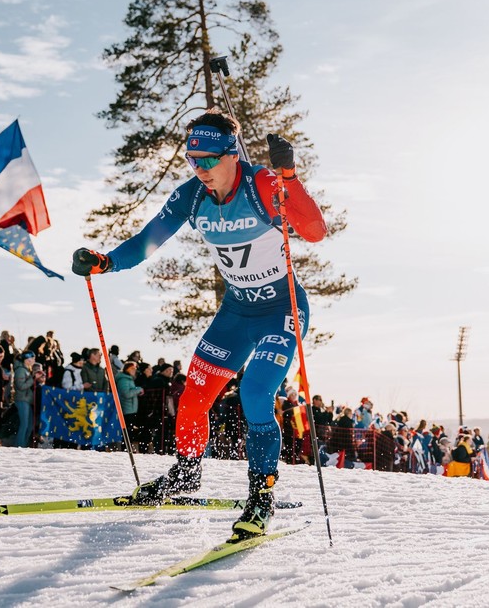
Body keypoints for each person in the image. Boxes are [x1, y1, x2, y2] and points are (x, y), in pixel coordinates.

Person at [72, 109, 327, 538]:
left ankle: (260, 497)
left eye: (209, 160)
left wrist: (290, 176)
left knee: (256, 391)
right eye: (194, 160)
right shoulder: (191, 196)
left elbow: (316, 231)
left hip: (281, 310)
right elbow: (147, 241)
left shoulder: (263, 184)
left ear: (233, 154)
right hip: (237, 312)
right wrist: (106, 262)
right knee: (193, 397)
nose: (201, 170)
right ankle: (187, 474)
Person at [115, 361, 143, 450]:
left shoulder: (129, 379)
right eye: (133, 368)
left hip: (131, 408)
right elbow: (126, 393)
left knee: (130, 431)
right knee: (127, 431)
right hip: (127, 409)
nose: (134, 370)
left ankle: (127, 447)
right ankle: (125, 448)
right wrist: (138, 389)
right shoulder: (123, 379)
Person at [11, 351, 36, 448]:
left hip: (26, 400)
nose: (34, 360)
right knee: (24, 425)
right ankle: (19, 445)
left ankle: (23, 445)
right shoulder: (21, 370)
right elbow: (21, 386)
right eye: (33, 358)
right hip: (22, 399)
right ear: (27, 359)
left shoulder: (26, 369)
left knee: (29, 425)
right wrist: (32, 378)